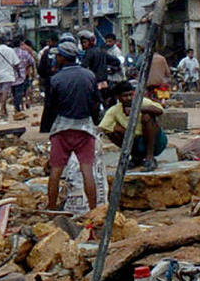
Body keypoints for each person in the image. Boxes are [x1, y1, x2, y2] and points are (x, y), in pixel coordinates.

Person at [41, 41, 100, 210]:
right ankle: (94, 210)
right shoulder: (89, 75)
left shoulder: (55, 79)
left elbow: (50, 107)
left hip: (62, 129)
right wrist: (95, 121)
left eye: (58, 55)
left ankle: (51, 208)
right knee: (87, 170)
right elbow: (95, 103)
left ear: (62, 58)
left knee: (56, 171)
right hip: (85, 128)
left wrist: (47, 128)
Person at [99, 79, 167, 171]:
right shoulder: (114, 110)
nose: (129, 98)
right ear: (118, 97)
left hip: (156, 141)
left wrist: (137, 109)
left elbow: (160, 111)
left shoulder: (142, 102)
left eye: (130, 94)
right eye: (125, 96)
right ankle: (135, 156)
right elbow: (103, 127)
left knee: (146, 117)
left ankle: (149, 157)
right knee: (113, 130)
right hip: (135, 141)